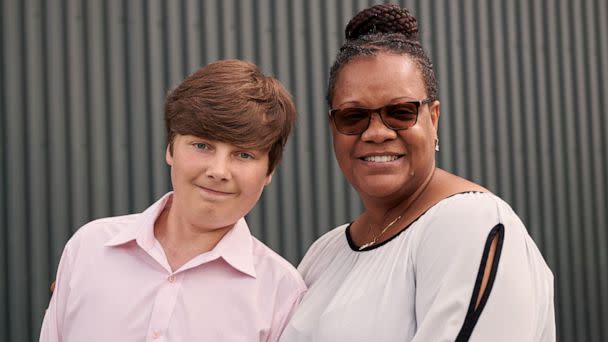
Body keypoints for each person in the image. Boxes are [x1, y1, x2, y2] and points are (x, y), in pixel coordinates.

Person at [280, 4, 554, 342]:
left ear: (433, 118)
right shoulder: (325, 252)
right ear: (333, 126)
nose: (376, 132)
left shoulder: (471, 223)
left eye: (400, 112)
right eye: (353, 116)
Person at [40, 59, 306, 341]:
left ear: (269, 171)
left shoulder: (282, 293)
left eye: (243, 155)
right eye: (202, 145)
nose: (218, 171)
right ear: (170, 148)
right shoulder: (89, 249)